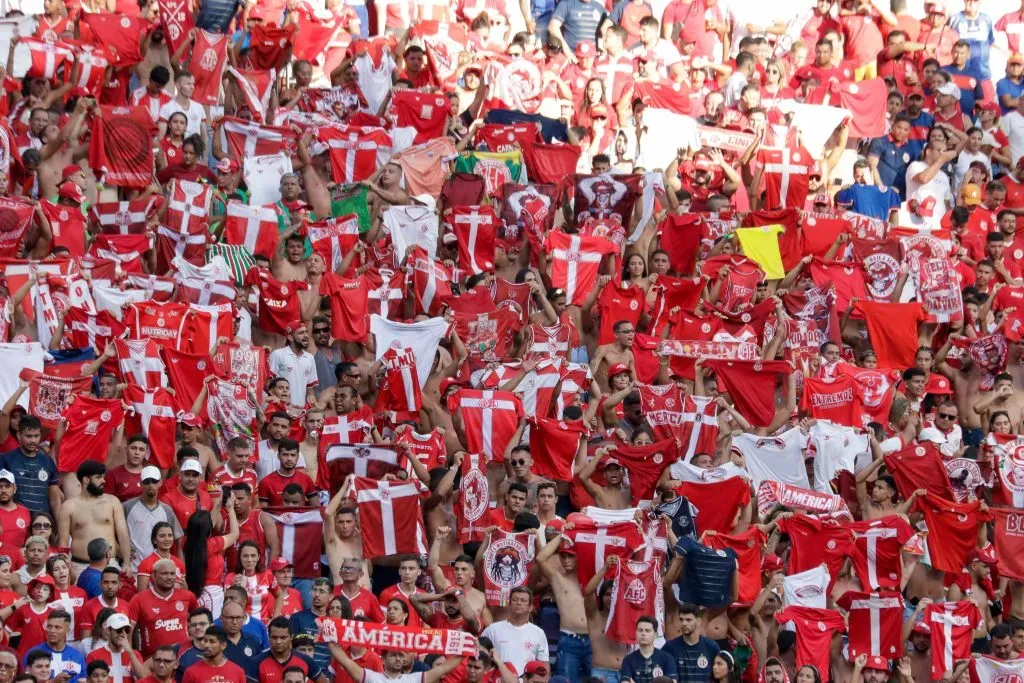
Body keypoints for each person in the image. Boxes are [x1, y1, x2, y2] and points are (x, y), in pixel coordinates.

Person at [180, 627, 246, 683]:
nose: (206, 645)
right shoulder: (191, 672)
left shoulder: (238, 672)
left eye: (212, 642)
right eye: (205, 641)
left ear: (223, 645)